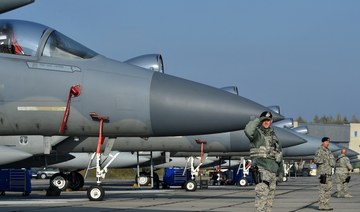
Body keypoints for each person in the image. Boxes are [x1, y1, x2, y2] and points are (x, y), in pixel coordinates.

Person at [245, 111, 284, 212]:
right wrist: (258, 119)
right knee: (261, 199)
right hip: (261, 170)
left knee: (269, 202)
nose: (266, 122)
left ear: (271, 121)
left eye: (268, 120)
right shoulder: (257, 134)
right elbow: (248, 130)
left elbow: (279, 155)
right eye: (264, 120)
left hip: (272, 172)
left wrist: (280, 172)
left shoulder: (274, 137)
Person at [314, 137, 335, 211]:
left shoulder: (329, 151)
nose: (327, 143)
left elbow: (333, 162)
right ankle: (321, 205)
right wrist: (322, 159)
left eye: (328, 142)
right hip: (323, 173)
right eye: (326, 142)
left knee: (329, 189)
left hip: (329, 173)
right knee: (322, 189)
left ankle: (326, 204)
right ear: (323, 142)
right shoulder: (319, 151)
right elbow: (316, 160)